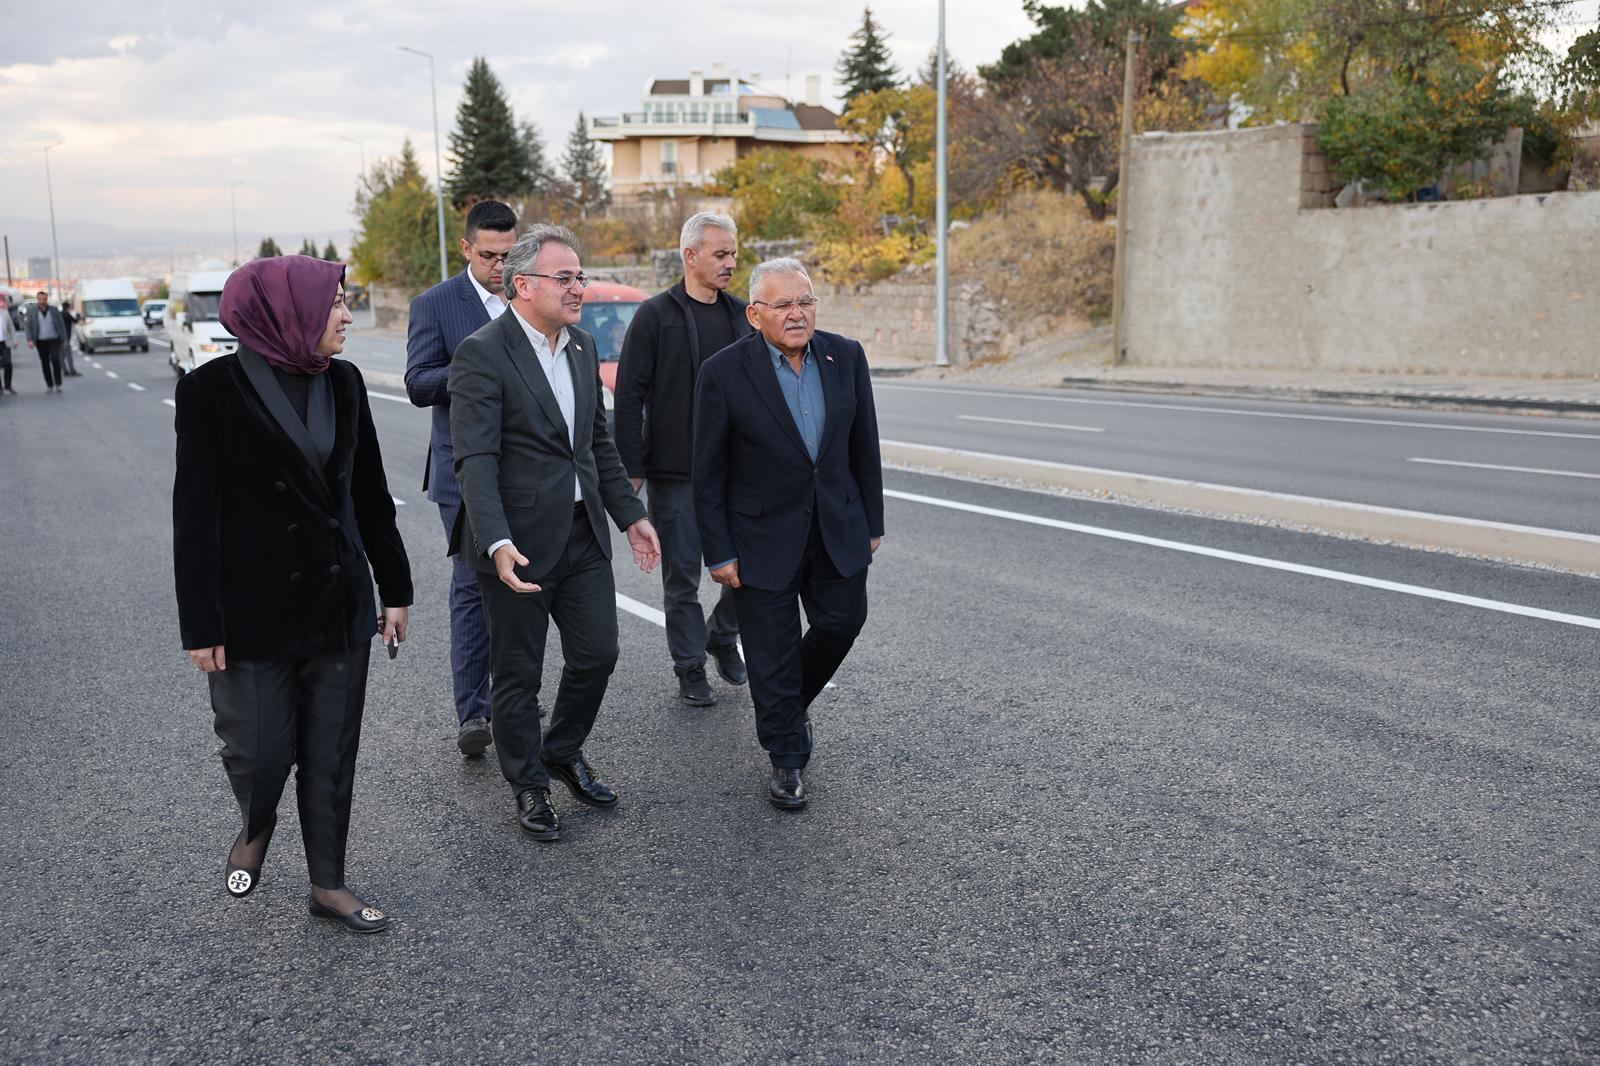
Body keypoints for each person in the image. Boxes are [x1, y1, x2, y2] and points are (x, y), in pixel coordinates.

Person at [172, 255, 412, 933]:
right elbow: (194, 515)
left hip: (338, 604)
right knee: (262, 750)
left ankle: (327, 884)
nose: (346, 314)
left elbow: (369, 493)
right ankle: (257, 820)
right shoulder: (210, 390)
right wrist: (201, 625)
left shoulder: (345, 382)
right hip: (251, 612)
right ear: (290, 312)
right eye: (335, 303)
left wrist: (394, 589)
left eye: (345, 300)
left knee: (331, 753)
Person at [448, 224, 661, 842]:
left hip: (580, 533)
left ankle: (561, 750)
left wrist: (631, 516)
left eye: (580, 276)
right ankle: (530, 785)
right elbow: (475, 461)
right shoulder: (482, 353)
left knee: (599, 653)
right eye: (564, 278)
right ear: (523, 285)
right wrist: (495, 540)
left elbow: (596, 443)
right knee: (517, 674)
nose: (578, 288)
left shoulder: (582, 347)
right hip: (516, 544)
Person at [692, 258, 884, 810]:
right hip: (758, 538)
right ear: (755, 314)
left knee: (844, 620)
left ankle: (782, 707)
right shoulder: (725, 372)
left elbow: (862, 444)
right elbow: (708, 472)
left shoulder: (844, 356)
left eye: (805, 301)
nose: (797, 313)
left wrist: (871, 520)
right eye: (783, 304)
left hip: (836, 527)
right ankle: (787, 758)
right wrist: (719, 551)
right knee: (771, 652)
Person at [615, 211, 753, 706]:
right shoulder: (655, 316)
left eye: (734, 253)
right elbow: (628, 395)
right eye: (721, 254)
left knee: (752, 567)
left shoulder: (743, 315)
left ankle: (722, 634)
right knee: (683, 578)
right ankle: (690, 666)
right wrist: (630, 469)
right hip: (676, 473)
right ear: (689, 256)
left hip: (740, 471)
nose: (731, 263)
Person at [405, 199, 518, 757]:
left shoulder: (530, 295)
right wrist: (477, 367)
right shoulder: (435, 305)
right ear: (468, 248)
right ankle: (473, 712)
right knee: (473, 588)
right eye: (490, 256)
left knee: (524, 586)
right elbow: (418, 382)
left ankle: (515, 696)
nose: (501, 266)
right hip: (461, 473)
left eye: (509, 254)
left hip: (526, 472)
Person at [24, 291, 68, 392]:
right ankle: (49, 384)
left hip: (54, 340)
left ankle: (58, 384)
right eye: (40, 299)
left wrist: (64, 339)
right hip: (40, 341)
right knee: (45, 363)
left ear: (47, 299)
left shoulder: (54, 310)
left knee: (55, 360)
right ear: (37, 299)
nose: (42, 301)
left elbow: (61, 325)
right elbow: (28, 326)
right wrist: (30, 339)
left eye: (44, 299)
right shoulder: (32, 311)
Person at [58, 299, 80, 376]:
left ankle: (64, 371)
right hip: (66, 338)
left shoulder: (59, 314)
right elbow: (75, 321)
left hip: (59, 338)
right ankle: (72, 371)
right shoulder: (67, 314)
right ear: (68, 307)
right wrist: (78, 316)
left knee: (61, 355)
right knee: (68, 355)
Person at [0, 300, 15, 395]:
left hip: (4, 343)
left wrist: (14, 341)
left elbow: (11, 327)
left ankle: (8, 385)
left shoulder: (5, 313)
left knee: (8, 363)